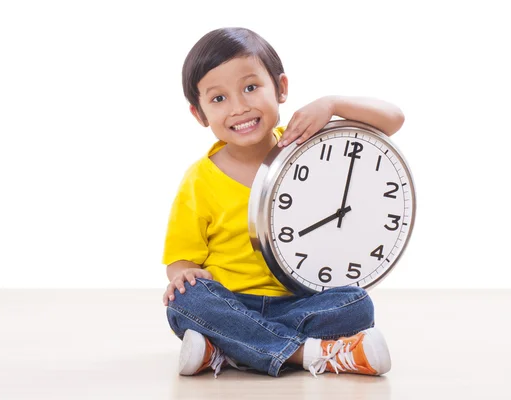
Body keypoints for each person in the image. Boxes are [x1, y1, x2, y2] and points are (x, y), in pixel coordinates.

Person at [161, 27, 405, 378]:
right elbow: (180, 260)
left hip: (299, 304)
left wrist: (332, 104)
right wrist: (183, 274)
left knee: (356, 304)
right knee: (185, 301)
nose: (240, 107)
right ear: (199, 115)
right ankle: (311, 354)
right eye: (219, 99)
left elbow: (393, 119)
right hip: (230, 301)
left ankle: (228, 348)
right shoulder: (199, 179)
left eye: (250, 87)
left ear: (281, 88)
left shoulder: (303, 142)